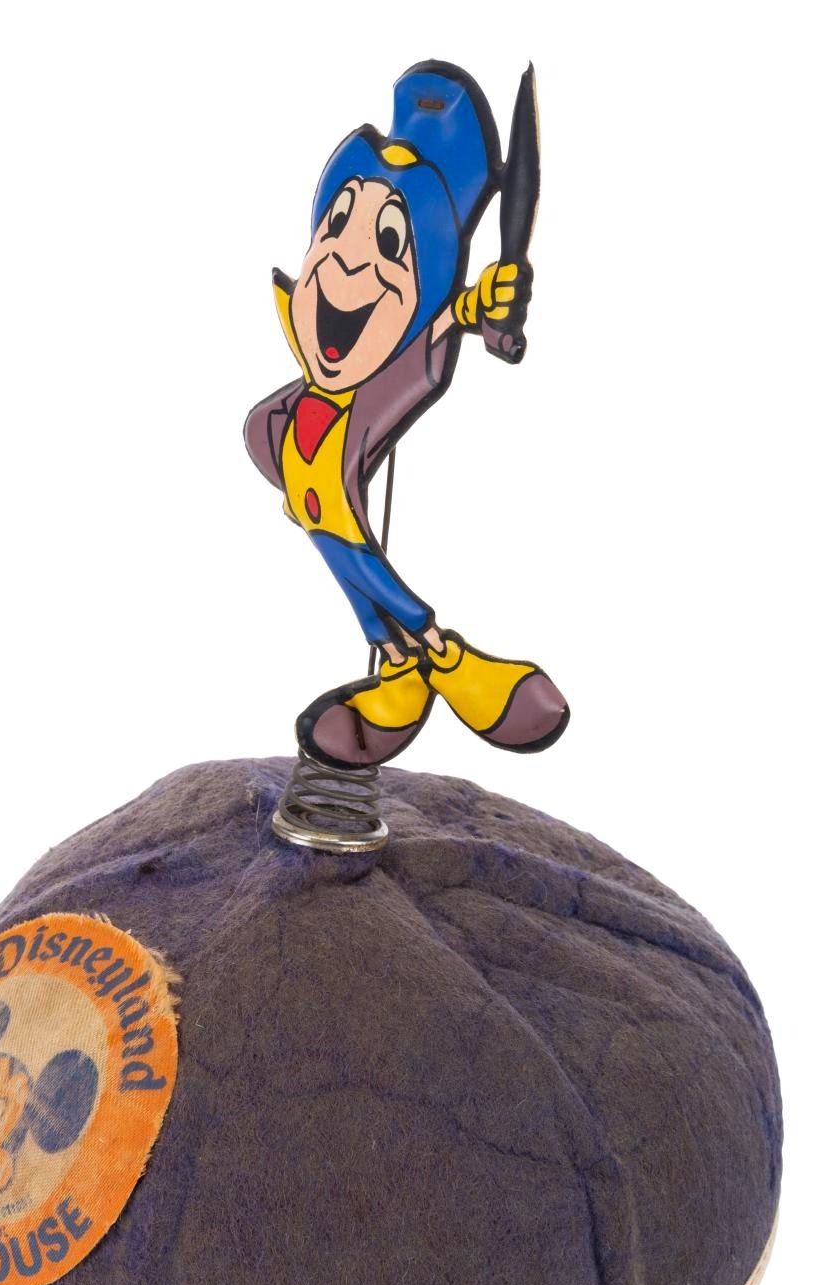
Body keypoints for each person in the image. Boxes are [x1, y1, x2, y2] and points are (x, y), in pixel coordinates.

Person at [244, 60, 568, 768]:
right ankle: (402, 673)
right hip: (316, 503)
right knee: (351, 573)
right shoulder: (278, 418)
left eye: (391, 244)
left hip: (338, 511)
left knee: (369, 574)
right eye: (336, 228)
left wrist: (486, 308)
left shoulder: (390, 377)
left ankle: (446, 661)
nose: (346, 267)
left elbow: (453, 318)